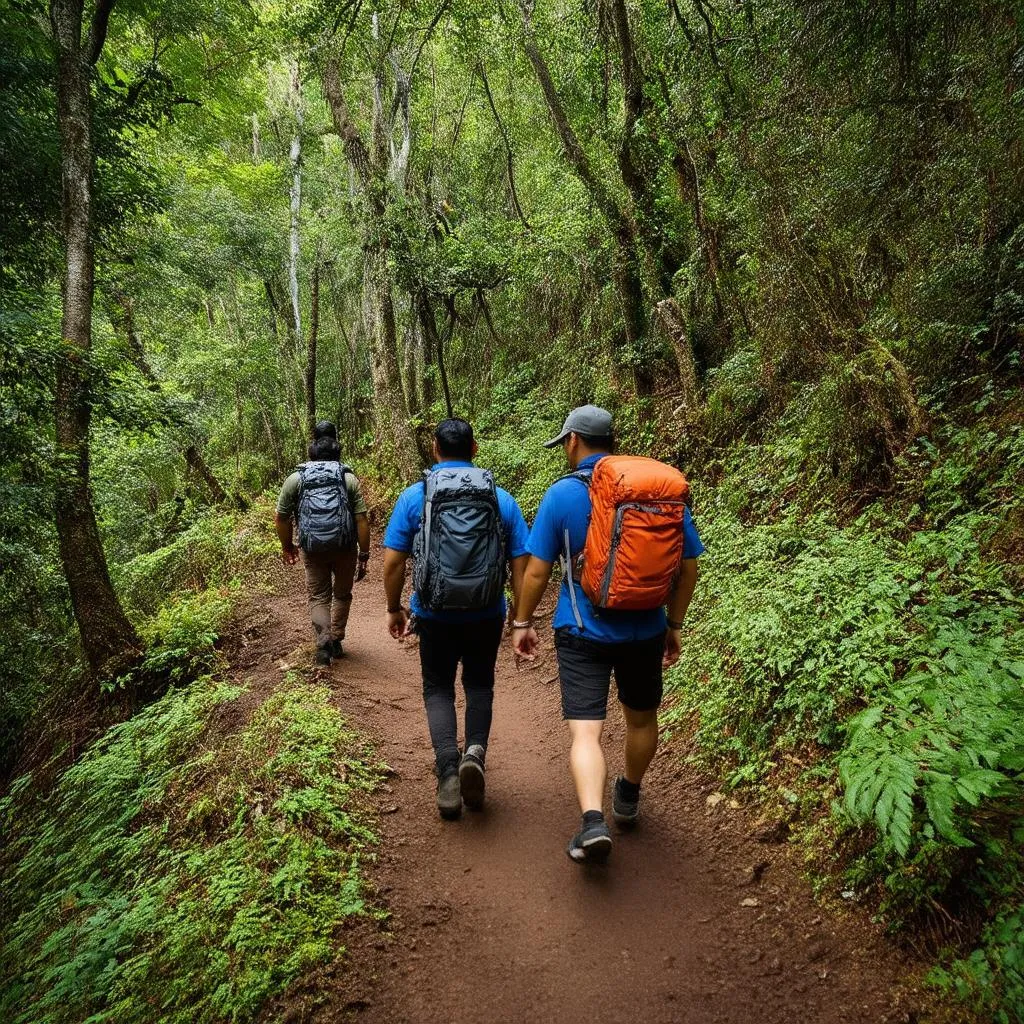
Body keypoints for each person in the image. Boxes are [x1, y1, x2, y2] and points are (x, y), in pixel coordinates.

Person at [511, 405, 704, 863]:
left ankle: (593, 821)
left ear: (573, 441)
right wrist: (673, 624)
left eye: (565, 444)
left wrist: (522, 622)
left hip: (581, 630)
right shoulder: (655, 494)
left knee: (586, 733)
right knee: (640, 719)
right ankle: (629, 795)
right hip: (646, 627)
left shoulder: (561, 495)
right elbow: (689, 566)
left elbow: (537, 572)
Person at [383, 418, 530, 819]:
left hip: (434, 612)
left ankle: (448, 769)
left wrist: (395, 607)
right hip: (486, 611)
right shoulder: (502, 499)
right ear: (475, 449)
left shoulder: (416, 497)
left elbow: (394, 561)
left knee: (438, 688)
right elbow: (522, 562)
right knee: (480, 683)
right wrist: (519, 613)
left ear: (435, 450)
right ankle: (475, 756)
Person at [274, 422, 371, 665]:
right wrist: (364, 554)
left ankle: (323, 645)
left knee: (318, 595)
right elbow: (361, 519)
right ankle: (336, 639)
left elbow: (281, 517)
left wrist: (288, 547)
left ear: (312, 449)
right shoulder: (348, 478)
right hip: (345, 547)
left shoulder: (296, 479)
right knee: (342, 593)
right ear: (337, 450)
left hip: (312, 548)